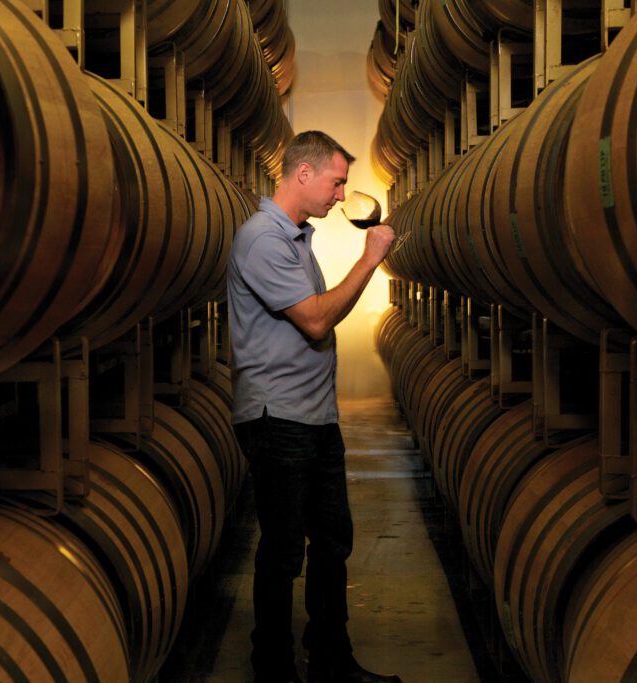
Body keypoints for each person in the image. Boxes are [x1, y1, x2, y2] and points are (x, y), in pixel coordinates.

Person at [227, 131, 400, 683]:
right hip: (277, 419)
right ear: (303, 174)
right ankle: (272, 669)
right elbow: (317, 319)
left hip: (314, 417)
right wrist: (370, 259)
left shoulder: (296, 238)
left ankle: (330, 658)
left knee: (332, 540)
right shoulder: (262, 241)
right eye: (337, 181)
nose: (341, 194)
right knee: (282, 549)